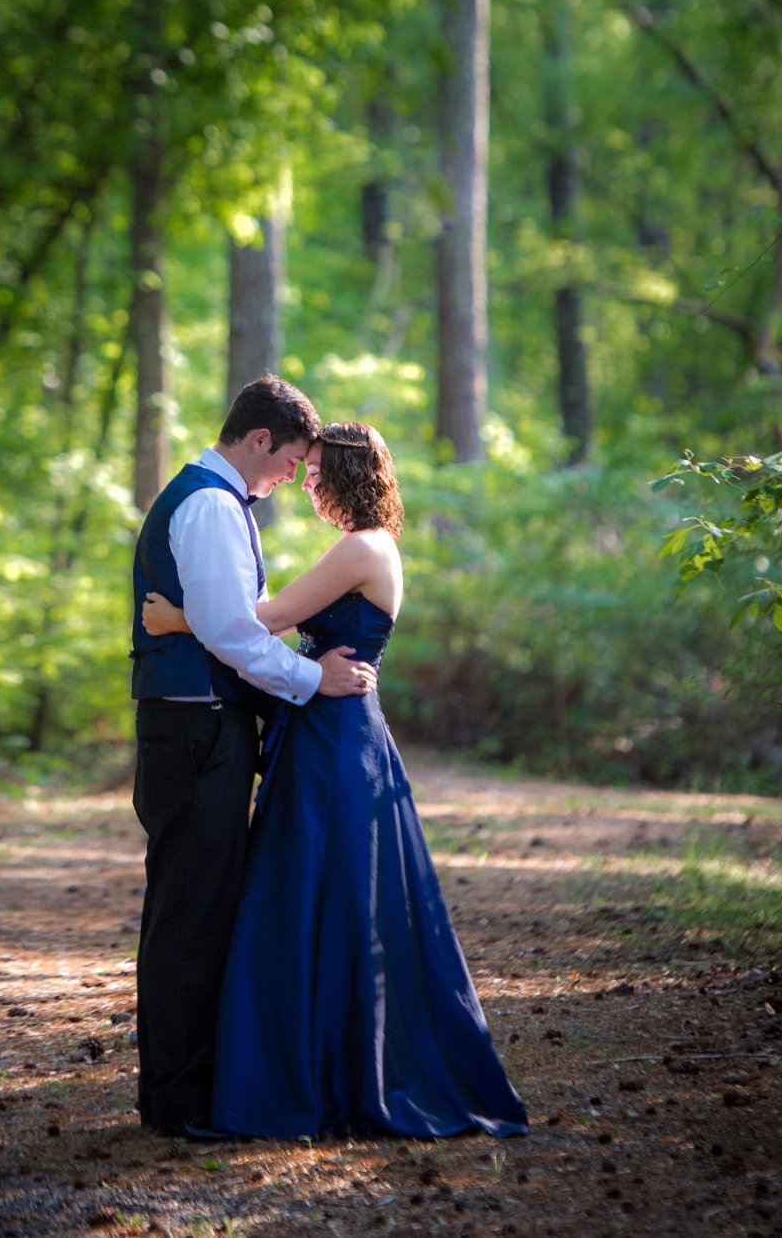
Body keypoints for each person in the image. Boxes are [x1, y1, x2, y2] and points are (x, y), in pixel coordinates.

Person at [143, 420, 529, 1140]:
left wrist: (173, 621)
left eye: (317, 470)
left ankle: (326, 1071)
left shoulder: (359, 547)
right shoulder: (369, 545)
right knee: (324, 891)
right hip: (329, 724)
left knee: (324, 891)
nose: (306, 479)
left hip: (335, 733)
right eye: (305, 466)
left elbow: (264, 617)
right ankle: (323, 1061)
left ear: (348, 474)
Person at [129, 377, 377, 1138]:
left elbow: (224, 624)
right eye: (292, 460)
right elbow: (234, 632)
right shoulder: (208, 503)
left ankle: (193, 1092)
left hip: (206, 723)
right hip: (195, 726)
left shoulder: (219, 502)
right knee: (189, 914)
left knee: (202, 909)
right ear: (260, 439)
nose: (293, 479)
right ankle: (176, 1103)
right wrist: (312, 680)